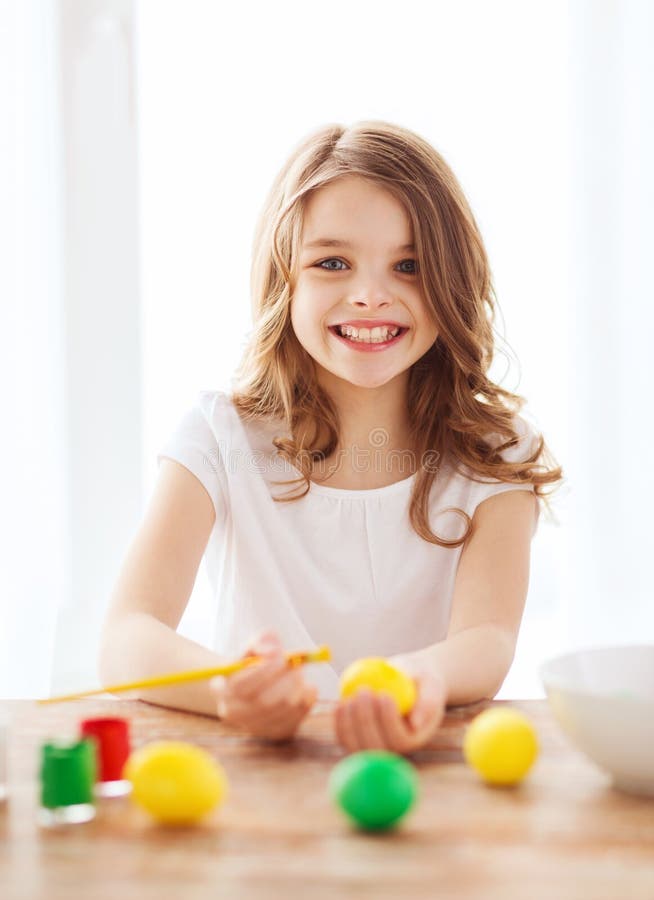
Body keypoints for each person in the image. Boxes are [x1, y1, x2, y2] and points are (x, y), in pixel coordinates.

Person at [99, 120, 564, 755]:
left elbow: (486, 639)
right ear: (283, 279)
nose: (370, 295)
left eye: (409, 266)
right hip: (259, 778)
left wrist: (419, 678)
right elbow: (127, 634)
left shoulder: (496, 452)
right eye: (332, 262)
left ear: (453, 282)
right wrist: (227, 690)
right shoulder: (218, 436)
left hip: (422, 770)